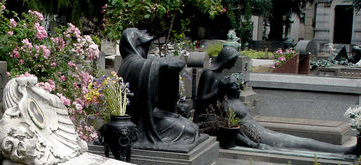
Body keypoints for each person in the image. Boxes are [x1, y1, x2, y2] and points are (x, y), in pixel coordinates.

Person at [218, 75, 358, 155]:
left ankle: (343, 150)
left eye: (237, 84)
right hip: (261, 137)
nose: (238, 86)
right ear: (227, 89)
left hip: (263, 131)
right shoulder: (227, 105)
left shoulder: (237, 101)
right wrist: (255, 145)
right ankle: (343, 151)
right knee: (303, 143)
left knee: (304, 141)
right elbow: (233, 131)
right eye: (234, 85)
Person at [118, 28, 204, 152]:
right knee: (190, 130)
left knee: (190, 126)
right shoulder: (137, 64)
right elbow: (177, 64)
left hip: (151, 115)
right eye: (145, 46)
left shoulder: (129, 62)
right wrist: (158, 62)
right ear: (136, 46)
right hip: (143, 124)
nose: (147, 50)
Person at [194, 46, 239, 122]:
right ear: (227, 60)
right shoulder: (209, 73)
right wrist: (219, 90)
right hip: (205, 115)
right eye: (233, 61)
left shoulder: (221, 74)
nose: (234, 64)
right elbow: (201, 99)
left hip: (218, 113)